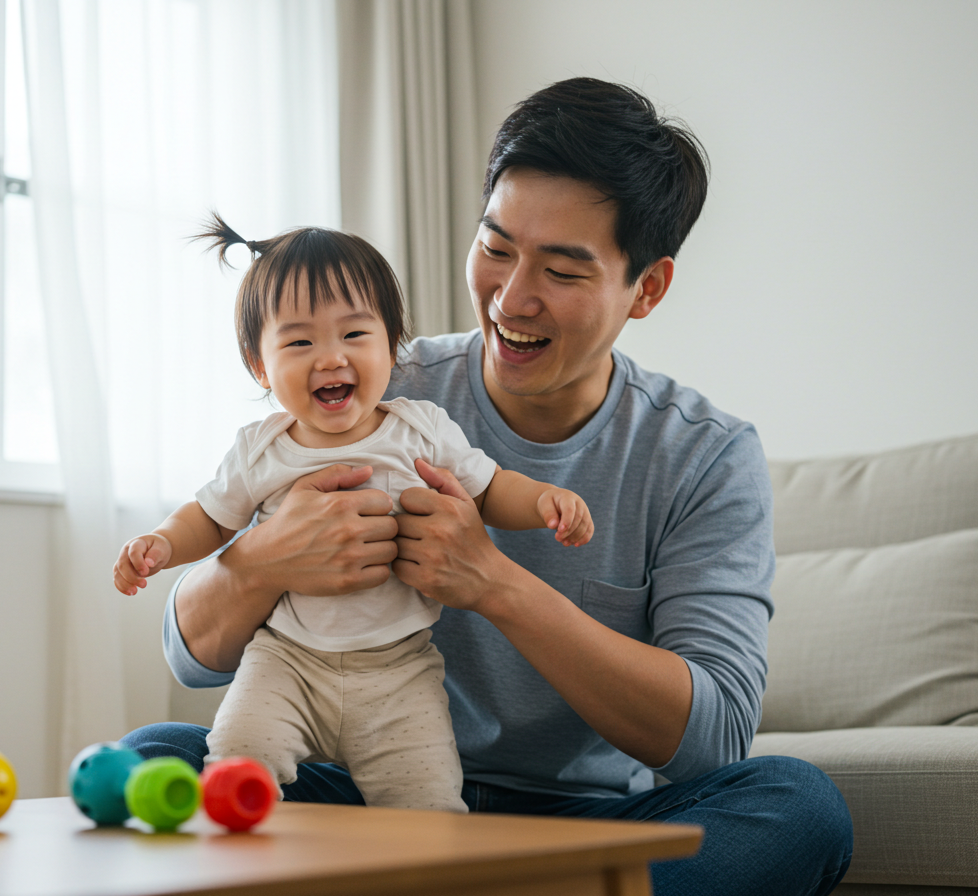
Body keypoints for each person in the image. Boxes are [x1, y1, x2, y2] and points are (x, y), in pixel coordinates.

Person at [122, 78, 853, 896]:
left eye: (563, 270)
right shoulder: (370, 384)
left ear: (645, 288)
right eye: (497, 247)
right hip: (368, 790)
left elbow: (712, 738)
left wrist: (496, 583)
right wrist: (259, 562)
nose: (511, 297)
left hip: (586, 818)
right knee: (152, 760)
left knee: (799, 806)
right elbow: (188, 657)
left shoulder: (703, 456)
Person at [114, 214, 593, 812]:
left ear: (392, 345)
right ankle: (240, 859)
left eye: (353, 335)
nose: (329, 358)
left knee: (427, 808)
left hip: (399, 671)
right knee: (235, 758)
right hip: (286, 661)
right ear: (259, 364)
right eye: (299, 342)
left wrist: (544, 500)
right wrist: (160, 544)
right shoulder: (261, 448)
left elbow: (491, 489)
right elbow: (209, 520)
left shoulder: (419, 430)